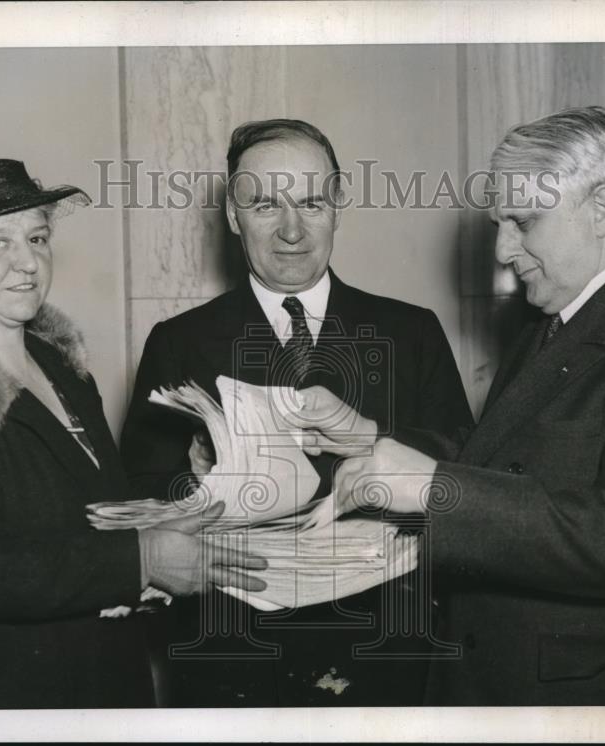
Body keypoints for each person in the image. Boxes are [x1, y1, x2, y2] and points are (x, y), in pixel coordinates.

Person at [301, 106, 605, 705]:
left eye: (524, 222)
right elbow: (499, 455)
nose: (503, 250)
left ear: (602, 209)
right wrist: (365, 437)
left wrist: (435, 489)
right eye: (500, 224)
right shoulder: (553, 323)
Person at [0, 157, 266, 709]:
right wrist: (141, 560)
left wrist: (175, 505)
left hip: (97, 677)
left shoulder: (62, 368)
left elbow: (81, 511)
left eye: (37, 238)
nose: (29, 262)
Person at [120, 119, 474, 706]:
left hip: (386, 649)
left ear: (338, 206)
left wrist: (372, 444)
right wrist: (201, 480)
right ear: (233, 216)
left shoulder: (410, 332)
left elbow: (466, 471)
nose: (291, 230)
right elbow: (140, 495)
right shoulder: (179, 342)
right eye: (265, 205)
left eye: (311, 202)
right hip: (234, 655)